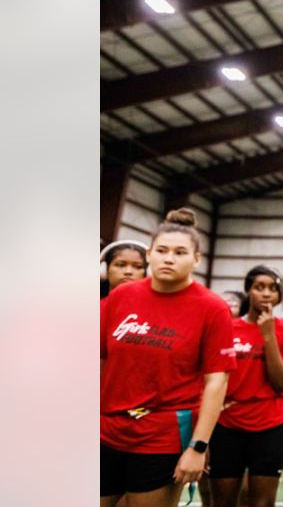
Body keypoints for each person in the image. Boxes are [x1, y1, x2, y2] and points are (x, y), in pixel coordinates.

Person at [100, 208, 235, 507]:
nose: (169, 258)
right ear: (149, 255)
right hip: (105, 431)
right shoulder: (121, 297)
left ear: (196, 259)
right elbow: (97, 359)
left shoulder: (212, 308)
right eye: (161, 250)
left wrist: (198, 447)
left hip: (162, 436)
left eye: (180, 252)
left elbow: (217, 382)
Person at [210, 265, 283, 507]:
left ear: (279, 295)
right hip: (227, 425)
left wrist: (268, 336)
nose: (266, 293)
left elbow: (281, 382)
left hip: (270, 428)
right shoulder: (227, 328)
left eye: (273, 289)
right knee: (223, 502)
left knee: (261, 504)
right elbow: (213, 378)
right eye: (259, 287)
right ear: (248, 291)